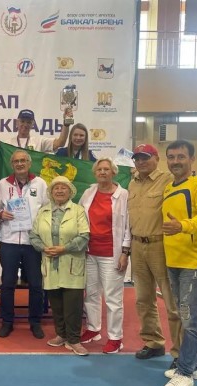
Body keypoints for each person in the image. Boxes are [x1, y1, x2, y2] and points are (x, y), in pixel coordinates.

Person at [128, 144, 182, 365]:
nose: (141, 162)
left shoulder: (168, 180)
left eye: (145, 158)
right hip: (137, 245)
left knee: (172, 302)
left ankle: (180, 353)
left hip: (161, 245)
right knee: (143, 299)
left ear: (157, 159)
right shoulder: (132, 182)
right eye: (137, 158)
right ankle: (153, 342)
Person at [161, 140, 197, 386]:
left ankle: (185, 372)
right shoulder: (169, 187)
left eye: (181, 156)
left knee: (191, 321)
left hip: (193, 263)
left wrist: (183, 226)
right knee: (187, 316)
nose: (175, 161)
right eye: (171, 157)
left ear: (192, 159)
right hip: (173, 262)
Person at [29, 176, 90, 356]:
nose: (60, 191)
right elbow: (33, 236)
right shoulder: (43, 211)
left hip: (72, 263)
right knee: (56, 304)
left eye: (64, 188)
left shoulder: (78, 211)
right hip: (50, 263)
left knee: (73, 305)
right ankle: (61, 335)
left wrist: (64, 248)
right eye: (56, 188)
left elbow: (84, 237)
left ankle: (74, 340)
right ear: (51, 192)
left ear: (70, 192)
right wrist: (44, 248)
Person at [0, 149, 49, 339]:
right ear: (12, 164)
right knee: (7, 284)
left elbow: (47, 209)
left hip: (32, 242)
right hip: (9, 240)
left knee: (36, 284)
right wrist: (0, 214)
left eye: (23, 160)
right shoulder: (3, 184)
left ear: (29, 163)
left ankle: (35, 322)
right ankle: (7, 321)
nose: (20, 164)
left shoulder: (40, 183)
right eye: (16, 161)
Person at [79, 157, 131, 354]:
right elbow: (80, 217)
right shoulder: (89, 192)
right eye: (99, 169)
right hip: (90, 252)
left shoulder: (123, 195)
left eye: (106, 169)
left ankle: (116, 338)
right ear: (95, 173)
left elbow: (128, 226)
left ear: (113, 172)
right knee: (91, 294)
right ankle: (93, 329)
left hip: (112, 254)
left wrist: (125, 252)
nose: (102, 172)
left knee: (112, 298)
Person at [0, 109, 69, 162]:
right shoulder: (8, 144)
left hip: (33, 180)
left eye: (28, 122)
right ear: (17, 122)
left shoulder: (39, 142)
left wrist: (66, 123)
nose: (25, 125)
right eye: (22, 121)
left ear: (33, 124)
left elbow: (61, 142)